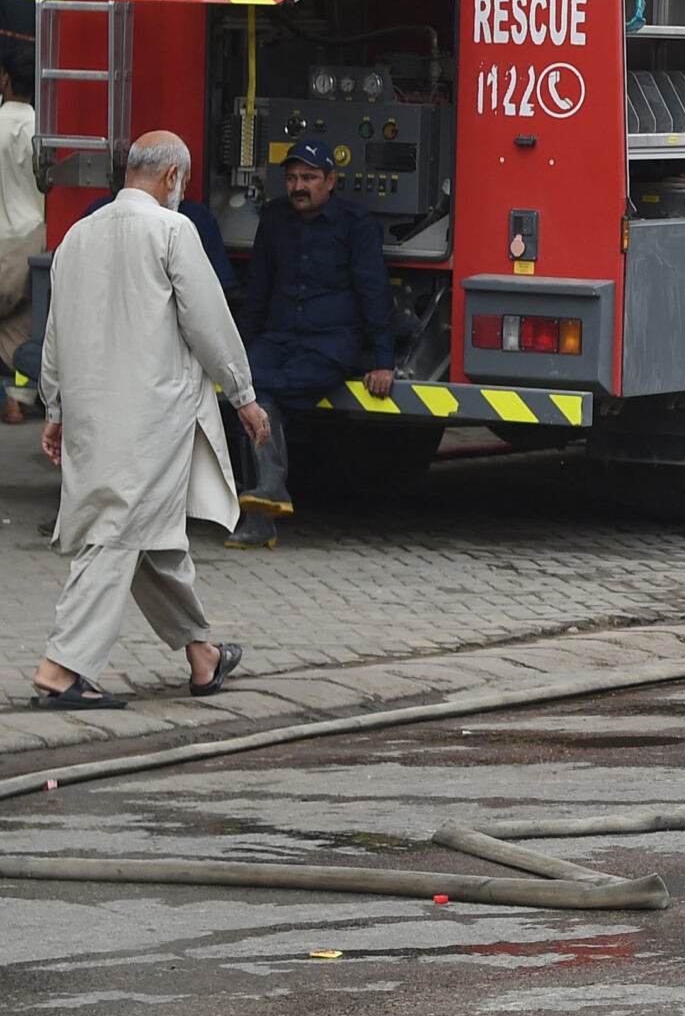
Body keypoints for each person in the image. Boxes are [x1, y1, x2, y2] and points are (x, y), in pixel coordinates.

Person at [29, 131, 267, 708]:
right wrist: (243, 394)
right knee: (117, 532)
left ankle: (202, 656)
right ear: (171, 178)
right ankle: (60, 670)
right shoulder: (172, 230)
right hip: (151, 416)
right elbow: (208, 322)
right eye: (180, 184)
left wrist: (55, 409)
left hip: (91, 414)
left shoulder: (76, 237)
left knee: (152, 538)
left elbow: (54, 335)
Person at [233, 140, 396, 548]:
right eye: (291, 178)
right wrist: (241, 351)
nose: (298, 186)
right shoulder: (273, 219)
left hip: (330, 344)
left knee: (262, 392)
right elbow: (257, 292)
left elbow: (374, 291)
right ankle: (267, 498)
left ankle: (262, 511)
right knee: (246, 388)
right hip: (278, 338)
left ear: (331, 180)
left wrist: (383, 361)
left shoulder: (356, 224)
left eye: (308, 177)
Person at [0, 54, 41, 423]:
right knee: (23, 322)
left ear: (5, 80)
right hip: (30, 237)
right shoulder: (39, 128)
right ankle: (17, 399)